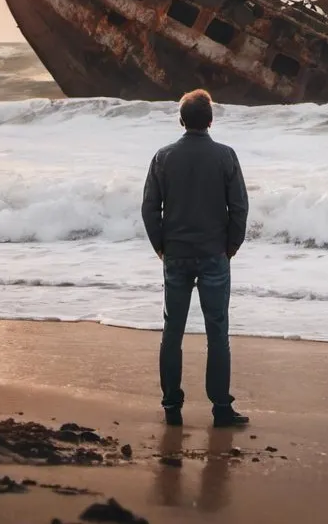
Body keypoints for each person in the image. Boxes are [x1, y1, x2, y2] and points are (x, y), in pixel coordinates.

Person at [141, 88, 250, 428]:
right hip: (213, 253)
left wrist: (161, 246)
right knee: (217, 331)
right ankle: (220, 408)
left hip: (176, 254)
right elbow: (240, 207)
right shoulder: (225, 156)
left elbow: (149, 207)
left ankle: (172, 407)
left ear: (181, 120)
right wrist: (230, 246)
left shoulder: (163, 157)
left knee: (172, 330)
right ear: (211, 121)